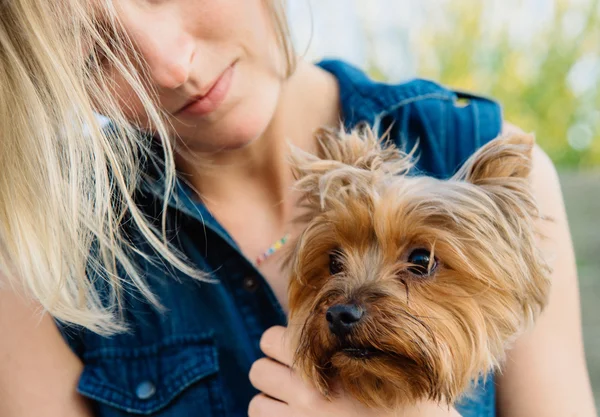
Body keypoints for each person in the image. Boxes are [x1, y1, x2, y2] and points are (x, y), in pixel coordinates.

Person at [0, 0, 596, 416]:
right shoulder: (41, 256)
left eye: (420, 262)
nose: (173, 65)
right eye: (97, 51)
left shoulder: (489, 164)